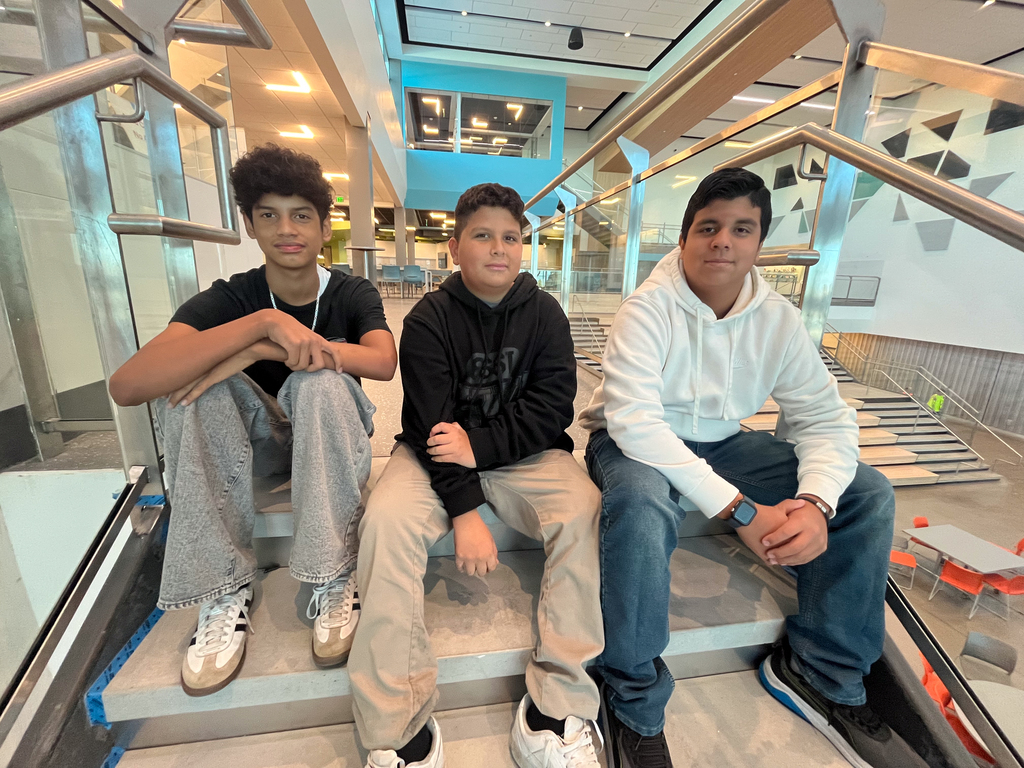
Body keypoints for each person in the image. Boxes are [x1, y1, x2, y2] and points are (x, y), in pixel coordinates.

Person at [580, 168, 926, 768]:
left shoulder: (779, 320)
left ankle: (823, 672)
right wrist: (737, 509)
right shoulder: (648, 308)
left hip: (725, 444)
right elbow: (636, 422)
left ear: (758, 244)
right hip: (632, 444)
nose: (724, 241)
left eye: (742, 229)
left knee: (866, 493)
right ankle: (632, 696)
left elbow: (826, 418)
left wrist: (816, 503)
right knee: (639, 504)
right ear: (684, 238)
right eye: (709, 227)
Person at [108, 144, 397, 696]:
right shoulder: (233, 296)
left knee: (319, 381)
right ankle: (222, 589)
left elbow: (383, 361)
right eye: (269, 215)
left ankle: (333, 573)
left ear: (323, 223)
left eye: (301, 215)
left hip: (331, 434)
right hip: (258, 447)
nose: (287, 229)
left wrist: (272, 351)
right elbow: (128, 384)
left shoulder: (350, 291)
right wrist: (259, 329)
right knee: (191, 394)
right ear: (250, 224)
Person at [349, 183, 604, 768]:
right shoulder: (429, 319)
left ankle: (555, 707)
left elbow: (553, 408)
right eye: (483, 235)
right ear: (456, 247)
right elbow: (430, 423)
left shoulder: (545, 315)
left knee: (583, 508)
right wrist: (465, 511)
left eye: (511, 237)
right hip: (432, 456)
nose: (499, 248)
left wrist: (482, 444)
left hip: (524, 456)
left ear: (523, 247)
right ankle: (398, 728)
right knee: (385, 522)